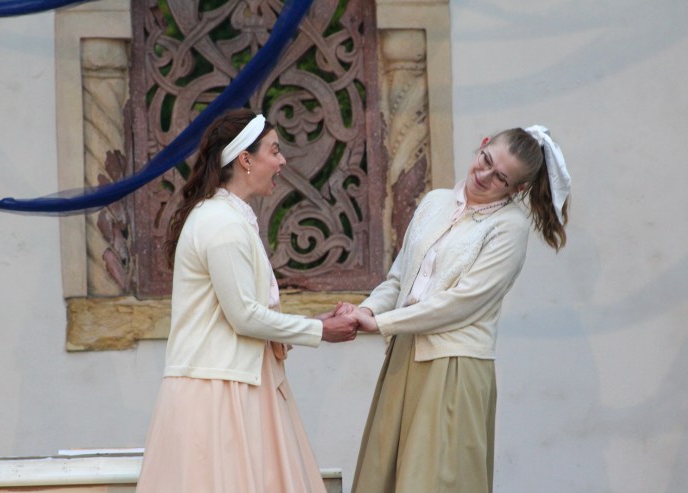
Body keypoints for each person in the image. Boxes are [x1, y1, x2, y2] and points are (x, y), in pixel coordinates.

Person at [136, 108, 358, 493]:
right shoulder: (221, 223)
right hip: (218, 394)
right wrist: (319, 330)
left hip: (236, 382)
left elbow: (247, 313)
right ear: (245, 159)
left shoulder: (228, 218)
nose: (282, 161)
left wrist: (313, 324)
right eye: (274, 150)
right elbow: (244, 317)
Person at [340, 125, 571, 493]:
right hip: (403, 355)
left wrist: (381, 323)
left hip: (454, 366)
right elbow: (400, 278)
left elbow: (460, 304)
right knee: (385, 476)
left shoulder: (509, 227)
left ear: (518, 189)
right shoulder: (435, 201)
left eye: (500, 178)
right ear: (482, 145)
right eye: (486, 160)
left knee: (433, 481)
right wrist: (365, 311)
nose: (484, 175)